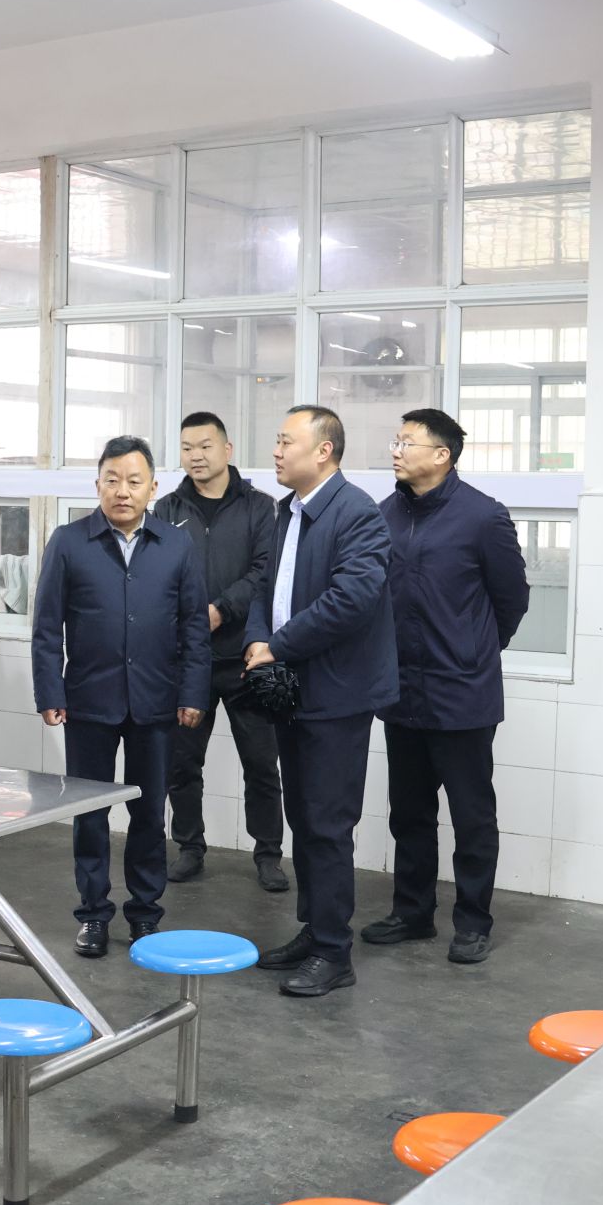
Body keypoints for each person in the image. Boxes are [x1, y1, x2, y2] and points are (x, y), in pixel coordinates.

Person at [362, 409, 529, 965]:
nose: (396, 450)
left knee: (471, 815)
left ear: (442, 455)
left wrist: (474, 650)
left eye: (407, 442)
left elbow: (512, 599)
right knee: (408, 813)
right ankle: (412, 913)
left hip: (462, 693)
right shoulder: (385, 513)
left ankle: (474, 922)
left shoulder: (483, 516)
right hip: (401, 691)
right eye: (396, 440)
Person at [34, 436, 209, 959]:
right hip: (88, 701)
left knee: (149, 813)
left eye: (134, 481)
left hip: (157, 702)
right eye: (112, 480)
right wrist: (50, 690)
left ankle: (145, 914)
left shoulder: (176, 545)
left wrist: (193, 691)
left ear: (153, 488)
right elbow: (46, 626)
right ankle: (92, 914)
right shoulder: (69, 542)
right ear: (97, 485)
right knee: (89, 813)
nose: (122, 491)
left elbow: (194, 627)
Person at [244, 405, 397, 998]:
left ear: (324, 451)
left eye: (287, 442)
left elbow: (351, 599)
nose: (277, 451)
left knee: (329, 824)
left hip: (337, 696)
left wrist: (277, 646)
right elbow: (265, 587)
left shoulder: (357, 513)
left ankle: (335, 952)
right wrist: (257, 638)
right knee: (304, 818)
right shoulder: (288, 511)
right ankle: (314, 930)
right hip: (293, 691)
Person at [154, 412, 287, 891]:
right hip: (188, 661)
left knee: (262, 764)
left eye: (205, 446)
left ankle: (268, 854)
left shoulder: (260, 507)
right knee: (182, 764)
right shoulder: (167, 509)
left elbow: (265, 571)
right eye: (187, 447)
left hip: (250, 657)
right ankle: (190, 847)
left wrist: (220, 609)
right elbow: (157, 574)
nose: (196, 456)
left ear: (227, 450)